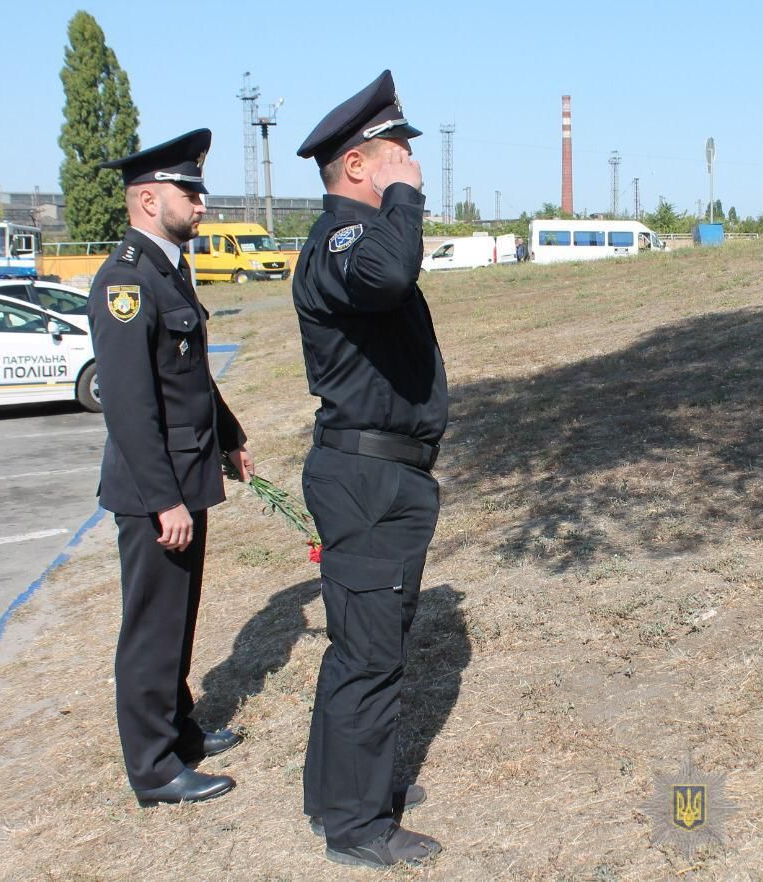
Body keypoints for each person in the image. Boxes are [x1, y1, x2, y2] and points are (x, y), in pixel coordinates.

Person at [291, 70, 447, 869]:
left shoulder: (353, 239)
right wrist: (403, 198)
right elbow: (388, 274)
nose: (411, 167)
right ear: (357, 165)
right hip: (369, 482)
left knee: (363, 642)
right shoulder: (345, 241)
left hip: (380, 477)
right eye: (396, 155)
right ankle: (358, 826)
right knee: (370, 655)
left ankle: (341, 791)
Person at [89, 128, 255, 807]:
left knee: (178, 619)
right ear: (149, 199)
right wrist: (163, 500)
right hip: (154, 490)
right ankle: (154, 768)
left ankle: (178, 730)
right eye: (190, 193)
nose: (202, 204)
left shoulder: (168, 270)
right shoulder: (124, 281)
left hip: (186, 476)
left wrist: (229, 436)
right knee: (152, 628)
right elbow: (129, 406)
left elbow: (187, 377)